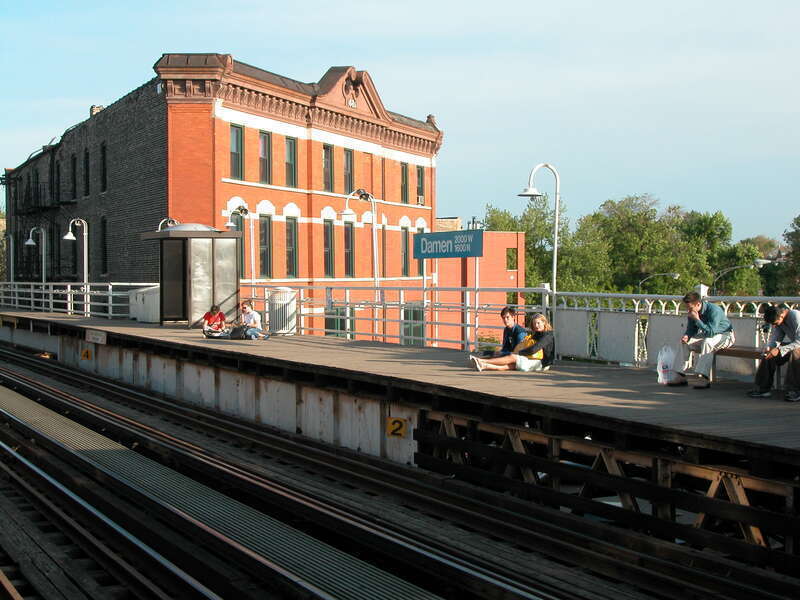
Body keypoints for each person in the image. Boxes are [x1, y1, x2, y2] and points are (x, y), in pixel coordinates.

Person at [675, 291, 734, 389]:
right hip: (708, 334)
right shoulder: (692, 312)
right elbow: (691, 329)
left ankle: (703, 377)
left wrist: (697, 320)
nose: (688, 310)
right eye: (687, 308)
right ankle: (680, 375)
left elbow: (711, 332)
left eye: (690, 308)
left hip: (725, 335)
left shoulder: (714, 310)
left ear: (698, 304)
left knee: (708, 342)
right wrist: (687, 336)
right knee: (685, 342)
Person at [747, 305, 800, 402]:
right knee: (769, 354)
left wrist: (779, 350)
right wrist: (770, 348)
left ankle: (795, 390)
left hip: (798, 345)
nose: (774, 325)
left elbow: (799, 341)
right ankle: (763, 388)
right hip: (795, 345)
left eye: (774, 323)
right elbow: (776, 338)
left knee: (795, 352)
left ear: (781, 316)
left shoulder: (795, 316)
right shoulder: (780, 321)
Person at [470, 313, 555, 372]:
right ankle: (484, 366)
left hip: (542, 364)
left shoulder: (548, 335)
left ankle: (481, 361)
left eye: (538, 323)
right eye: (534, 324)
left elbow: (533, 349)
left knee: (513, 357)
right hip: (534, 360)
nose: (536, 326)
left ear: (544, 322)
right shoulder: (537, 334)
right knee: (512, 366)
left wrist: (518, 353)